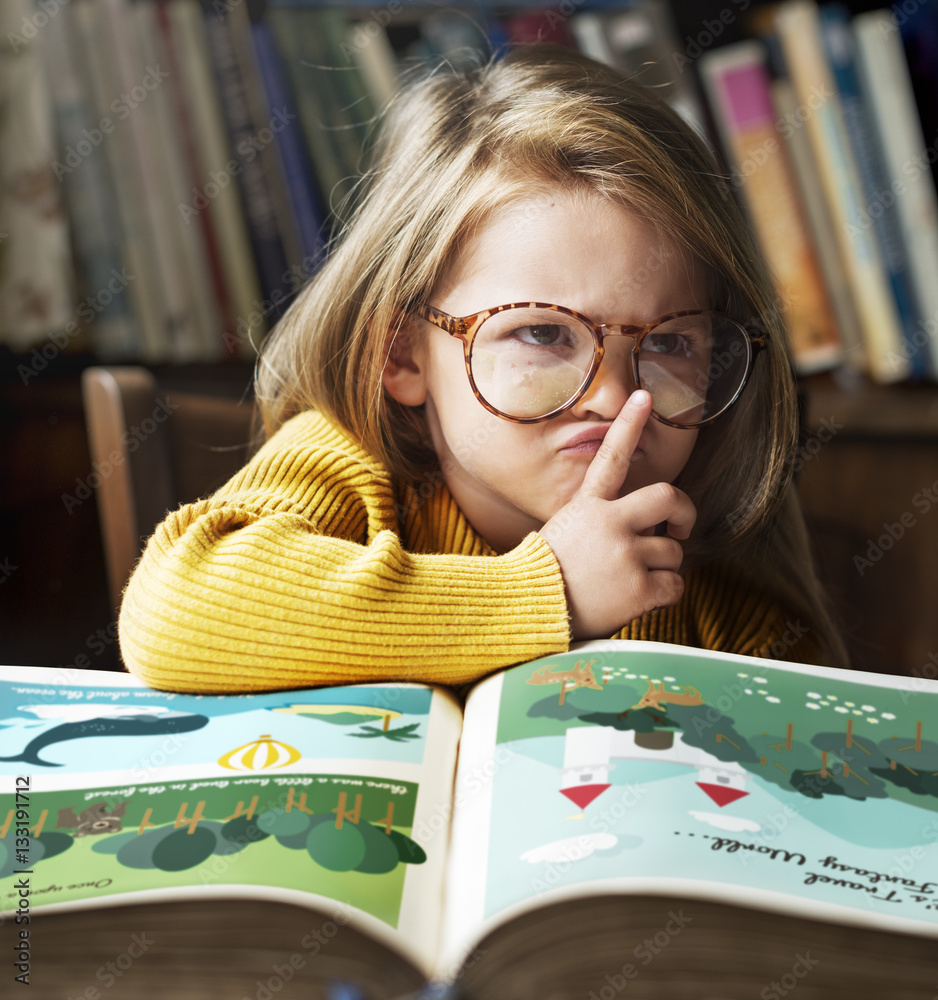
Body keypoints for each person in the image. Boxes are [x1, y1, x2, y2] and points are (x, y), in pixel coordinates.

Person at [118, 44, 847, 693]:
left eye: (668, 345)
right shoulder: (349, 467)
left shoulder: (709, 572)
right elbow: (174, 612)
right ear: (401, 355)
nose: (617, 398)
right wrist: (547, 594)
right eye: (541, 333)